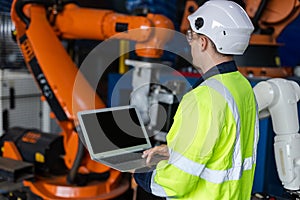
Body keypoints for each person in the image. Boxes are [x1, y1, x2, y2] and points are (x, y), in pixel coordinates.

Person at [133, 0, 259, 199]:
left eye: (191, 36)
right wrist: (175, 152)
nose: (189, 42)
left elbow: (173, 184)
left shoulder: (202, 99)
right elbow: (223, 151)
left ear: (203, 42)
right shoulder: (243, 87)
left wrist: (139, 173)